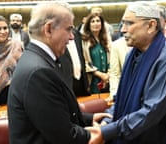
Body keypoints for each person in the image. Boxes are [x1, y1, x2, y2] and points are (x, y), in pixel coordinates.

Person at [86, 2, 166, 144]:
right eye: (123, 24)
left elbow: (152, 111)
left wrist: (108, 131)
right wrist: (108, 120)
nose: (123, 30)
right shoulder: (132, 55)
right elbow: (122, 99)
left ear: (151, 25)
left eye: (129, 23)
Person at [7, 2, 111, 144]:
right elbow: (63, 136)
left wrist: (87, 119)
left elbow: (53, 114)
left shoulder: (37, 58)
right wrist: (95, 135)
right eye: (68, 30)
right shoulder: (39, 72)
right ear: (49, 29)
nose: (72, 37)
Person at [82, 13, 111, 94]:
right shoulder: (84, 41)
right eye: (93, 21)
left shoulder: (107, 40)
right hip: (93, 80)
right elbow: (85, 62)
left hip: (108, 79)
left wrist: (107, 75)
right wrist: (100, 74)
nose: (96, 23)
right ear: (88, 25)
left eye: (98, 21)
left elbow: (112, 59)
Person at [61, 28, 91, 96]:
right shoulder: (57, 36)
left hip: (81, 82)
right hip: (67, 83)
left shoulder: (76, 34)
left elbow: (81, 58)